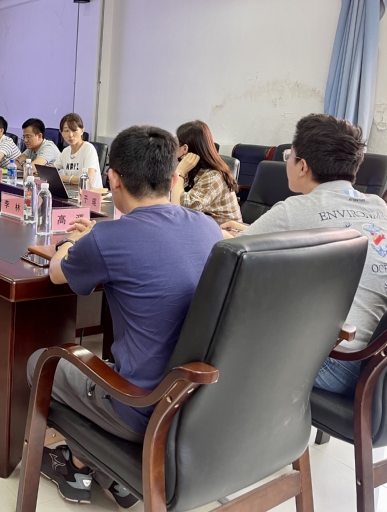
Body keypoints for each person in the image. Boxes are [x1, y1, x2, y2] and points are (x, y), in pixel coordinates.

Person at [29, 125, 223, 507]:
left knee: (41, 363)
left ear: (113, 179)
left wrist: (72, 241)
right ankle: (103, 471)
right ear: (173, 179)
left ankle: (82, 464)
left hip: (141, 407)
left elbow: (56, 273)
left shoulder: (107, 238)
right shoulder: (208, 227)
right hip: (199, 402)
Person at [221, 114, 387, 396]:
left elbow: (232, 252)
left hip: (337, 363)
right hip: (386, 362)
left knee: (226, 333)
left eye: (289, 157)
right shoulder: (377, 205)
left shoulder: (294, 210)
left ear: (303, 166)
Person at [171, 120, 241, 224]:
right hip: (205, 224)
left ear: (185, 148)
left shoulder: (213, 175)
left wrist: (179, 172)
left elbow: (182, 209)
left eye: (176, 144)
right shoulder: (189, 168)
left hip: (227, 230)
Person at [53, 113, 103, 189]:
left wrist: (62, 178)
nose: (70, 135)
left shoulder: (88, 149)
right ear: (61, 133)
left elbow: (88, 180)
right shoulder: (66, 151)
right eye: (66, 131)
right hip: (72, 192)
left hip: (90, 194)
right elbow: (50, 172)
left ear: (82, 130)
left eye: (74, 130)